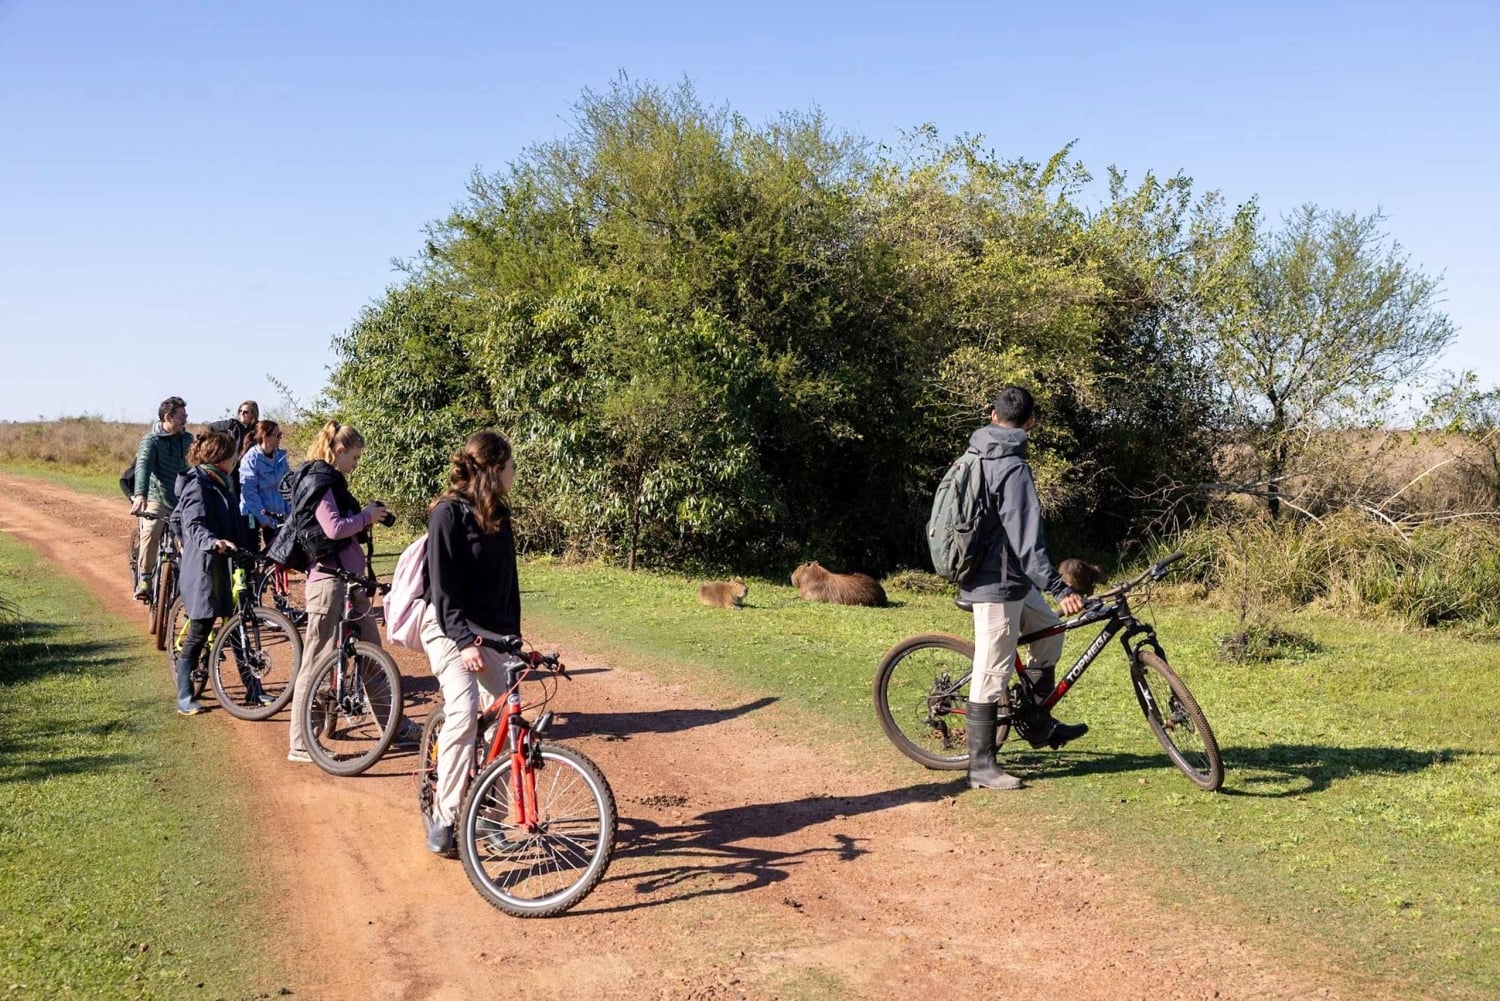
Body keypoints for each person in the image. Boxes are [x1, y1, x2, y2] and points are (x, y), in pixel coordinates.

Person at [959, 385, 1088, 791]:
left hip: (1009, 577)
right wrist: (1059, 586)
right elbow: (1026, 538)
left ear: (993, 414)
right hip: (993, 583)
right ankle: (980, 765)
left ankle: (1036, 722)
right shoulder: (1010, 466)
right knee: (991, 670)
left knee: (1049, 634)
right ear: (1030, 422)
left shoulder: (975, 450)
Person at [280, 421, 414, 763]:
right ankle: (300, 741)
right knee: (317, 658)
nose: (356, 464)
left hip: (350, 580)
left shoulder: (332, 480)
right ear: (338, 451)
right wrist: (366, 517)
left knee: (371, 653)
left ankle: (393, 725)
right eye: (354, 457)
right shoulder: (319, 479)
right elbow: (333, 527)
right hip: (327, 581)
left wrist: (366, 515)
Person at [420, 431, 520, 855]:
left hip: (490, 630)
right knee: (462, 712)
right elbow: (443, 593)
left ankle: (487, 815)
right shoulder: (447, 513)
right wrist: (465, 642)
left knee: (508, 721)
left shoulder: (499, 514)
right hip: (448, 627)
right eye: (512, 466)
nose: (516, 474)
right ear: (495, 469)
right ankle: (445, 817)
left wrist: (514, 642)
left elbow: (507, 588)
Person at [171, 430, 252, 715]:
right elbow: (194, 525)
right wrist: (213, 542)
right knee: (200, 630)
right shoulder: (198, 484)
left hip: (224, 562)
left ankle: (253, 689)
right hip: (204, 566)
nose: (237, 459)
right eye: (234, 455)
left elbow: (234, 523)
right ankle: (184, 695)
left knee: (237, 627)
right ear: (223, 458)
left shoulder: (221, 483)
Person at [130, 396, 192, 601]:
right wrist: (140, 495)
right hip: (157, 497)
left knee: (190, 540)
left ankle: (188, 587)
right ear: (168, 417)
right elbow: (143, 466)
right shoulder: (151, 441)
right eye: (182, 416)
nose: (186, 420)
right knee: (152, 529)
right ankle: (145, 578)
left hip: (181, 500)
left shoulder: (187, 440)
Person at [239, 419, 290, 552]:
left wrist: (290, 514)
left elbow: (287, 487)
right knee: (251, 551)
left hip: (276, 514)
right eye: (277, 435)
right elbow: (249, 493)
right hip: (252, 514)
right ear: (265, 436)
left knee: (279, 554)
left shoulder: (281, 458)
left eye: (280, 434)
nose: (280, 438)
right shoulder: (250, 459)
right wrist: (263, 519)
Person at [208, 400, 260, 499]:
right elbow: (210, 428)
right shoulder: (232, 425)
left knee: (249, 498)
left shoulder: (258, 429)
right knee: (233, 497)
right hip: (233, 468)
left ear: (253, 414)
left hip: (251, 469)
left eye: (245, 412)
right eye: (240, 411)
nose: (242, 414)